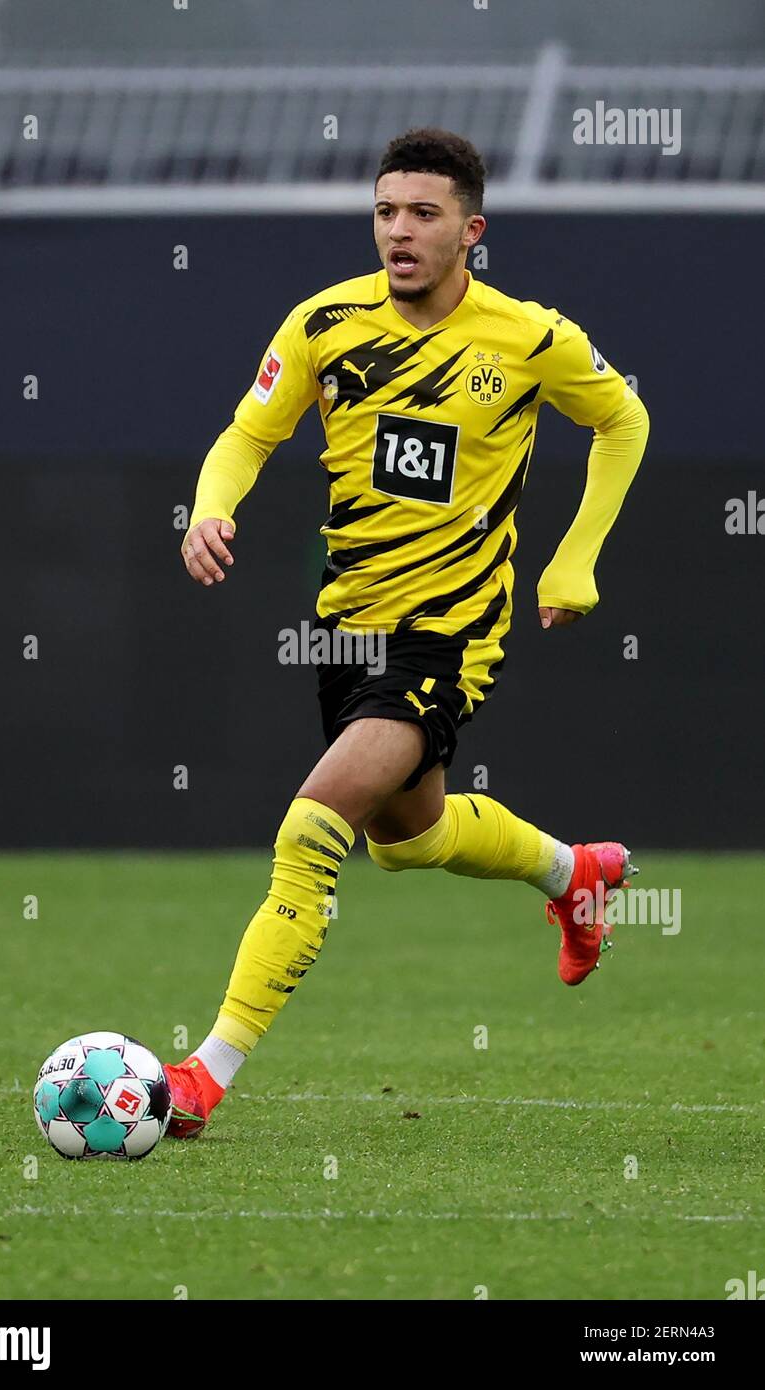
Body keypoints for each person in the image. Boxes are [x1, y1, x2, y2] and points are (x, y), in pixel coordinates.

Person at [164, 127, 648, 1138]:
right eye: (385, 210)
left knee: (312, 829)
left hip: (447, 638)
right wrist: (213, 506)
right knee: (409, 838)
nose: (398, 230)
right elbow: (248, 430)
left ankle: (205, 1073)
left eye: (422, 214)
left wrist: (573, 559)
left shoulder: (527, 338)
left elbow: (622, 419)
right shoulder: (324, 323)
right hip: (346, 631)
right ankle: (576, 873)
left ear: (469, 231)